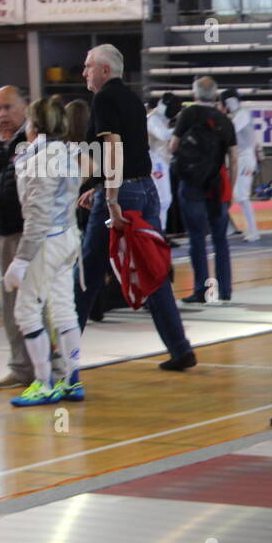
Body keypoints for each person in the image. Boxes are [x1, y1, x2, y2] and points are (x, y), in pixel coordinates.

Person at [75, 44, 196, 371]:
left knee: (87, 273)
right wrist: (100, 187)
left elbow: (113, 149)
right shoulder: (130, 99)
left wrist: (110, 198)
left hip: (123, 194)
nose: (84, 72)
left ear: (104, 70)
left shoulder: (103, 98)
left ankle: (59, 355)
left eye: (88, 66)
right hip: (145, 190)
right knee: (151, 271)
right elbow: (128, 148)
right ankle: (180, 347)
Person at [2, 96, 85, 407]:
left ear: (34, 124)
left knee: (26, 310)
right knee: (64, 308)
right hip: (68, 237)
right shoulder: (68, 152)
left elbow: (38, 214)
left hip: (47, 242)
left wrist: (21, 260)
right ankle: (72, 379)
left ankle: (43, 382)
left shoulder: (41, 158)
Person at [0, 85, 44, 390]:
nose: (1, 114)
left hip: (31, 231)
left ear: (24, 107)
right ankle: (20, 367)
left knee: (38, 301)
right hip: (1, 230)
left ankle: (49, 365)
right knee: (11, 302)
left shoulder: (36, 140)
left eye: (7, 107)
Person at [171, 77, 238, 304]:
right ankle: (225, 289)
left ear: (195, 94)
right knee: (220, 239)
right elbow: (234, 158)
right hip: (217, 185)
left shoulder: (187, 115)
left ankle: (201, 289)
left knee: (197, 238)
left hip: (191, 184)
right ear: (216, 95)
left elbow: (173, 146)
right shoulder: (225, 120)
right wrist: (233, 188)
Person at [219, 89, 262, 242]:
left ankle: (254, 231)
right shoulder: (235, 115)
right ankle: (229, 228)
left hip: (245, 158)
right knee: (226, 193)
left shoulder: (242, 114)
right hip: (237, 158)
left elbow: (230, 130)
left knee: (241, 196)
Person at [146, 92, 180, 232]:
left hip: (161, 160)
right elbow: (163, 135)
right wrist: (182, 127)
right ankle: (159, 232)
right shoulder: (153, 119)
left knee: (165, 199)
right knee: (163, 199)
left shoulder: (160, 118)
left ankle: (161, 231)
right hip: (155, 160)